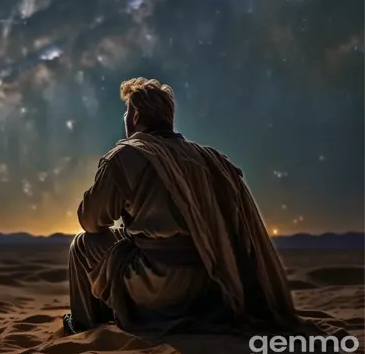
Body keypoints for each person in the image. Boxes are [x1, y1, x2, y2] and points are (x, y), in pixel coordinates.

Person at [63, 77, 298, 335]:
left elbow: (91, 220)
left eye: (126, 111)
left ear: (135, 115)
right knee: (127, 241)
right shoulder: (209, 158)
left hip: (159, 283)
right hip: (215, 282)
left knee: (83, 244)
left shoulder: (127, 155)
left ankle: (84, 326)